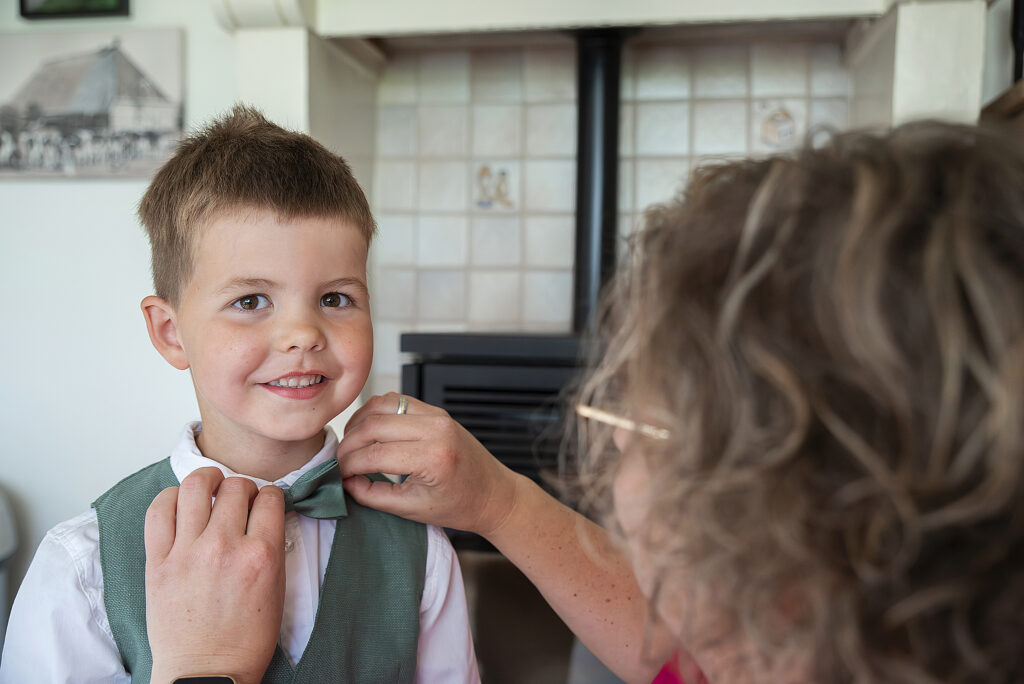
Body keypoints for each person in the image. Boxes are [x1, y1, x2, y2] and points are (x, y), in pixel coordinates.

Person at [148, 120, 1024, 683]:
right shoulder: (86, 559)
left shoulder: (417, 564)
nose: (608, 465)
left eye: (643, 422)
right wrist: (498, 501)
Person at [0, 106, 479, 684]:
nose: (303, 334)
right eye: (251, 301)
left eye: (335, 299)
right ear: (170, 333)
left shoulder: (421, 546)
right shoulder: (84, 564)